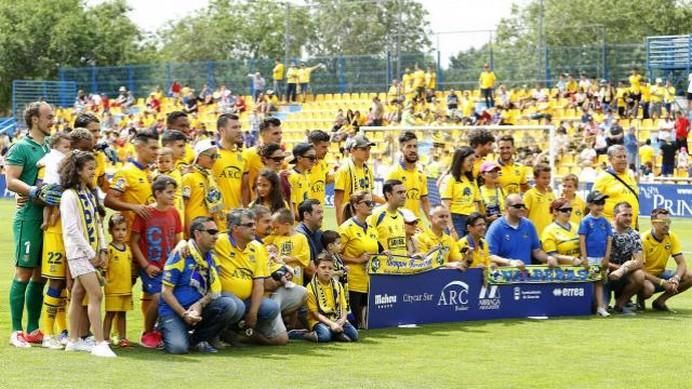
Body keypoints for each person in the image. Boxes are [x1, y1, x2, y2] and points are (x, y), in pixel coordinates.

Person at [7, 102, 61, 348]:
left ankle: (33, 329)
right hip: (29, 217)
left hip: (48, 219)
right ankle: (16, 330)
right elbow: (10, 181)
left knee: (40, 275)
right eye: (48, 117)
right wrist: (33, 191)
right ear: (34, 119)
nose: (53, 120)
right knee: (23, 273)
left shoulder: (50, 148)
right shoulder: (21, 147)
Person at [59, 151, 115, 357]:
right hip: (78, 253)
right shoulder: (68, 196)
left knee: (77, 293)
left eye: (95, 167)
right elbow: (71, 229)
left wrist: (102, 248)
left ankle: (73, 340)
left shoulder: (89, 194)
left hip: (91, 251)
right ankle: (100, 343)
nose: (94, 172)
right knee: (96, 293)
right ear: (78, 171)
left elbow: (98, 222)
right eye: (90, 168)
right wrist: (91, 253)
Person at [159, 216, 241, 354]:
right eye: (211, 232)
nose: (216, 237)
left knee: (230, 305)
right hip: (175, 311)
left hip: (199, 310)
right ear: (197, 234)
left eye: (217, 232)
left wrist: (200, 304)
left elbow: (214, 290)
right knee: (178, 348)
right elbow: (166, 292)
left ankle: (195, 340)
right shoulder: (181, 254)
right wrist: (184, 314)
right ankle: (165, 330)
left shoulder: (212, 258)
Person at [131, 175, 182, 348]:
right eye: (169, 192)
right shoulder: (146, 213)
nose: (172, 196)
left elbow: (178, 241)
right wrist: (145, 265)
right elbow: (134, 241)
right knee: (159, 297)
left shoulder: (174, 212)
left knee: (172, 296)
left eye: (174, 192)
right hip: (151, 267)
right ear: (157, 193)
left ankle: (163, 329)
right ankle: (147, 331)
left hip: (169, 266)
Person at [105, 130, 159, 237]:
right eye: (153, 148)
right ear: (139, 148)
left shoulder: (150, 172)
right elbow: (108, 200)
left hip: (149, 235)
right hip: (131, 237)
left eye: (157, 148)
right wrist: (134, 207)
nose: (156, 152)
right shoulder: (126, 172)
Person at [338, 191, 379, 328]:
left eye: (372, 202)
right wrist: (357, 260)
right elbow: (335, 256)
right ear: (356, 205)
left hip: (369, 282)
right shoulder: (346, 229)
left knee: (366, 325)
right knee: (355, 324)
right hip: (352, 283)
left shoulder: (372, 229)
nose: (371, 205)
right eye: (367, 203)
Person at [639, 208, 692, 311]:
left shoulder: (671, 237)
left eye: (668, 222)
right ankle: (639, 300)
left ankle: (660, 302)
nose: (666, 225)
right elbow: (641, 271)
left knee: (690, 276)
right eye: (663, 222)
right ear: (653, 223)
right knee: (648, 289)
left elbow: (681, 263)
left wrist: (676, 278)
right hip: (644, 277)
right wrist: (662, 283)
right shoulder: (643, 240)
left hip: (660, 274)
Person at [486, 194, 558, 266]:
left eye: (523, 206)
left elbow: (536, 251)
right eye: (517, 206)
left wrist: (548, 258)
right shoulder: (496, 227)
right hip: (505, 274)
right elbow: (490, 256)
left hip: (526, 274)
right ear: (507, 208)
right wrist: (510, 262)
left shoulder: (529, 225)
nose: (522, 209)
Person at [304, 254, 358, 343]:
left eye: (330, 268)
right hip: (318, 321)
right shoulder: (311, 288)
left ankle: (334, 332)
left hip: (336, 318)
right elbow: (315, 314)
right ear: (316, 269)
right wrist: (332, 324)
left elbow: (344, 307)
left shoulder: (338, 285)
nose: (327, 271)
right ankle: (307, 334)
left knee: (354, 335)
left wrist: (343, 319)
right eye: (323, 267)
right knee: (325, 337)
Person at [606, 202, 645, 315]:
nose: (628, 218)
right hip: (603, 273)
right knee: (598, 308)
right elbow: (599, 259)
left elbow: (639, 261)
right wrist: (616, 268)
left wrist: (622, 270)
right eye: (624, 215)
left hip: (623, 274)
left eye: (630, 215)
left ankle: (619, 306)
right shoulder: (606, 230)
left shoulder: (634, 235)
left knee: (639, 275)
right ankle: (602, 303)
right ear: (615, 215)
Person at [578, 191, 613, 317]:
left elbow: (609, 238)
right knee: (589, 281)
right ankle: (588, 306)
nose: (600, 206)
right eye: (597, 203)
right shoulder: (586, 221)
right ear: (589, 205)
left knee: (599, 282)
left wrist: (607, 256)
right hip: (591, 257)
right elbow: (582, 240)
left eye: (602, 203)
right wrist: (585, 257)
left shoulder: (605, 221)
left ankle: (600, 307)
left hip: (601, 257)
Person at [103, 214, 134, 347]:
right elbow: (104, 268)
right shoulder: (109, 250)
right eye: (117, 229)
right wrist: (105, 281)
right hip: (113, 288)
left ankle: (122, 337)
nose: (120, 233)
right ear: (110, 231)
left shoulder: (128, 249)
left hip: (125, 288)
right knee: (110, 313)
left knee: (122, 314)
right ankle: (105, 338)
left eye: (123, 229)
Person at [182, 140, 224, 234]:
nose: (214, 159)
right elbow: (183, 208)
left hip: (208, 228)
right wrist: (189, 233)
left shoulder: (210, 176)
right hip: (195, 229)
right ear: (200, 155)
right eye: (211, 156)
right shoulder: (189, 177)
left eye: (216, 156)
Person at [385, 131, 430, 219]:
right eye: (409, 146)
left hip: (416, 224)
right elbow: (386, 201)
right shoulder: (394, 172)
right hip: (398, 224)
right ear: (401, 148)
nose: (413, 150)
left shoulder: (421, 174)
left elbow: (424, 201)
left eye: (415, 146)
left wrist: (432, 221)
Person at [592, 145, 639, 228]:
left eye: (624, 156)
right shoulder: (603, 177)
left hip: (630, 228)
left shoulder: (630, 176)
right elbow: (592, 202)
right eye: (619, 157)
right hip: (611, 229)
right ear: (610, 159)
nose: (623, 159)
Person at [334, 135, 377, 225]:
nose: (367, 152)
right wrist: (340, 224)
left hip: (365, 219)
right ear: (353, 150)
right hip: (349, 219)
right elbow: (338, 201)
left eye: (369, 149)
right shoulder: (343, 170)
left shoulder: (368, 170)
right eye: (363, 149)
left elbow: (370, 195)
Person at [440, 146, 481, 239]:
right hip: (456, 219)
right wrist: (451, 229)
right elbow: (445, 206)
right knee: (458, 248)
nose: (472, 163)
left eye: (473, 160)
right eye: (470, 160)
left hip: (471, 219)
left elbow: (475, 203)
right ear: (461, 160)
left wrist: (478, 222)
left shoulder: (472, 180)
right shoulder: (450, 179)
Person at [213, 113, 250, 212]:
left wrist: (245, 210)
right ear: (222, 130)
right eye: (234, 127)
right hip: (215, 214)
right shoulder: (211, 153)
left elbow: (244, 188)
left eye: (239, 127)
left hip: (235, 216)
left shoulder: (243, 155)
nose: (239, 131)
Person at [265, 208, 311, 286]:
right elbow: (263, 244)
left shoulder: (301, 238)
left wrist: (289, 259)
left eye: (277, 227)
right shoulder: (276, 237)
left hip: (295, 279)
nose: (275, 230)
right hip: (279, 278)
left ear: (287, 225)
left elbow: (305, 256)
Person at [36, 132, 70, 230]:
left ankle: (45, 221)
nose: (68, 149)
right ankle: (54, 218)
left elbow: (38, 163)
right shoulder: (64, 158)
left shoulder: (48, 156)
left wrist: (41, 166)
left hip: (46, 184)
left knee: (47, 204)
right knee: (59, 204)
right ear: (55, 146)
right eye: (66, 147)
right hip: (59, 184)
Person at [243, 117, 283, 199]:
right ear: (262, 134)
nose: (280, 137)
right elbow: (244, 186)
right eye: (275, 133)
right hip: (257, 207)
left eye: (280, 133)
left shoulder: (280, 155)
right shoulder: (249, 154)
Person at [368, 180, 408, 259]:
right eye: (400, 193)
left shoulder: (401, 215)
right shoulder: (375, 215)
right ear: (389, 195)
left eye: (404, 192)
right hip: (384, 268)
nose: (404, 196)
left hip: (402, 268)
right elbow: (366, 241)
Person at [541, 198, 584, 266]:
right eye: (564, 210)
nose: (568, 212)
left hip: (579, 267)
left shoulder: (577, 226)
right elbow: (551, 255)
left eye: (570, 209)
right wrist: (571, 259)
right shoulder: (549, 231)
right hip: (560, 270)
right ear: (555, 212)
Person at [523, 163, 556, 237]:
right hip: (533, 236)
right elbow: (523, 218)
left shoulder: (552, 194)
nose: (547, 180)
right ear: (535, 178)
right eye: (544, 178)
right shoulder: (529, 194)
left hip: (548, 236)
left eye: (549, 178)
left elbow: (554, 216)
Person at [286, 142, 316, 217]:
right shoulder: (291, 176)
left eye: (315, 158)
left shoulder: (307, 175)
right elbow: (291, 206)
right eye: (311, 158)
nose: (314, 161)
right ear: (299, 158)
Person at [306, 130, 332, 204]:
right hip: (304, 212)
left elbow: (326, 179)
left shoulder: (322, 163)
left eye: (327, 147)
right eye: (323, 147)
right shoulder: (299, 164)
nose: (327, 150)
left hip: (318, 210)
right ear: (312, 146)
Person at [295, 199, 325, 263]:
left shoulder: (319, 233)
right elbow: (309, 269)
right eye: (318, 212)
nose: (322, 216)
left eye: (322, 212)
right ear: (306, 215)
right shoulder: (300, 236)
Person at [321, 230, 348, 296]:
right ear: (330, 246)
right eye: (338, 243)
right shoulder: (324, 257)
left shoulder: (336, 255)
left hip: (339, 288)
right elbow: (323, 273)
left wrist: (344, 269)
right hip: (330, 290)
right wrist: (338, 272)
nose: (341, 246)